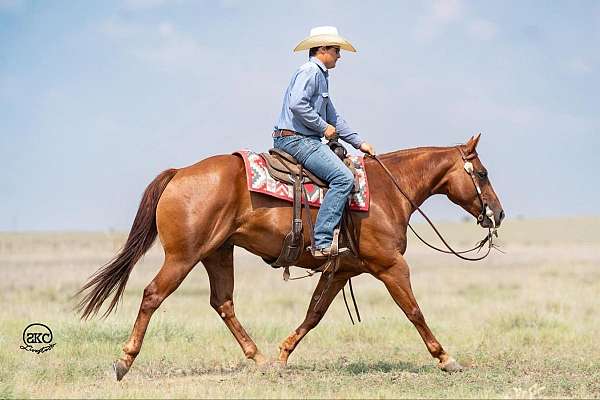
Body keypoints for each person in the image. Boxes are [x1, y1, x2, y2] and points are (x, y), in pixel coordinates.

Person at [272, 26, 375, 259]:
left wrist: (359, 143)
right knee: (343, 178)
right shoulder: (311, 71)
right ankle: (322, 241)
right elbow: (298, 105)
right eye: (337, 50)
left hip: (299, 138)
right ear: (323, 49)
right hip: (297, 139)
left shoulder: (321, 76)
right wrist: (322, 128)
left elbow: (334, 117)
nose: (339, 55)